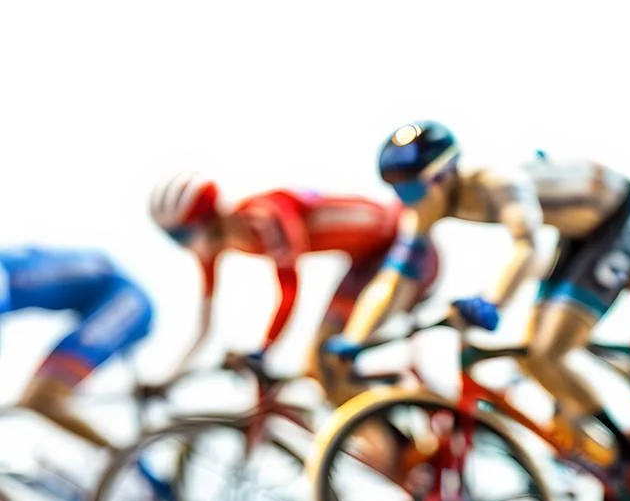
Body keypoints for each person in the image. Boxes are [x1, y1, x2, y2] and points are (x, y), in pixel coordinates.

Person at [324, 121, 630, 469]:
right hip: (578, 234)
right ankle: (606, 456)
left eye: (412, 192)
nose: (410, 204)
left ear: (444, 176)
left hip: (621, 219)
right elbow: (393, 281)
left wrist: (491, 301)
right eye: (399, 192)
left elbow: (526, 247)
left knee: (546, 352)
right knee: (531, 356)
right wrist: (353, 338)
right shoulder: (422, 213)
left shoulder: (499, 182)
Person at [148, 173, 438, 402]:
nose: (185, 247)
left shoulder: (263, 217)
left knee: (324, 361)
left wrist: (263, 351)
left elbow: (288, 291)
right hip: (366, 262)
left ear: (205, 223)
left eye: (182, 236)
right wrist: (168, 378)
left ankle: (404, 406)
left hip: (403, 248)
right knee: (321, 373)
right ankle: (388, 418)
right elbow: (204, 326)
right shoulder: (215, 247)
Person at [0, 246, 154, 449]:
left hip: (125, 301)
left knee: (45, 398)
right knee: (36, 400)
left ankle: (130, 466)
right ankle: (123, 461)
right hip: (108, 298)